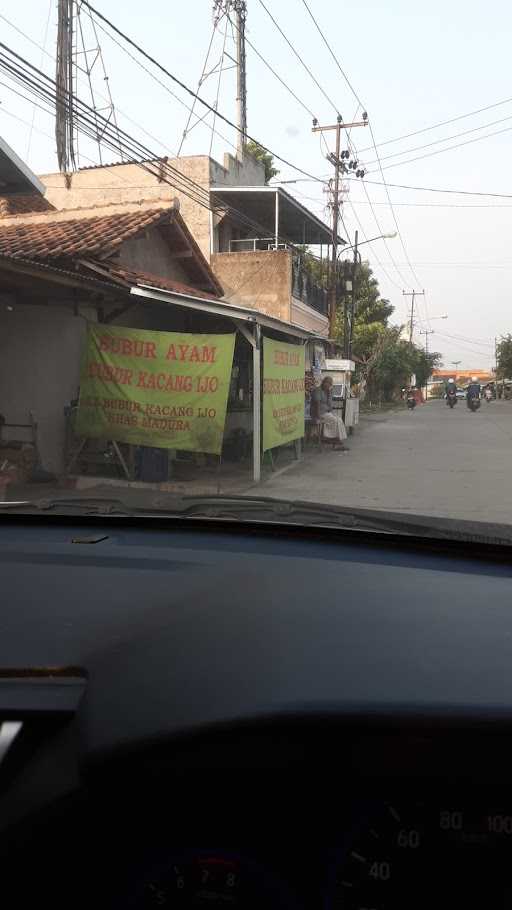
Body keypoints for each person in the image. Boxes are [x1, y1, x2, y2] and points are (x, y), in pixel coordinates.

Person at [310, 376, 349, 451]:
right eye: (328, 384)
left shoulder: (328, 391)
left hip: (327, 412)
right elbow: (317, 405)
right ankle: (333, 440)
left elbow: (330, 404)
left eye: (330, 384)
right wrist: (318, 417)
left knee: (339, 419)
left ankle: (338, 440)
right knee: (334, 420)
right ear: (324, 383)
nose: (329, 386)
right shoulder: (318, 390)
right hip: (319, 413)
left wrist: (329, 394)